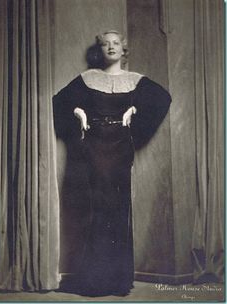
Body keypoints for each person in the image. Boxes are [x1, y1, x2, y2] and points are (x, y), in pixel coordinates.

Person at [53, 30, 171, 297]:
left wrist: (135, 111)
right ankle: (95, 280)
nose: (111, 47)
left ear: (123, 49)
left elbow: (163, 98)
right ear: (100, 50)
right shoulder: (87, 79)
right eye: (105, 44)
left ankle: (117, 281)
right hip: (94, 146)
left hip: (121, 146)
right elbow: (59, 102)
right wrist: (78, 111)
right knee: (98, 208)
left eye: (116, 43)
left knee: (118, 208)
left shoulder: (136, 80)